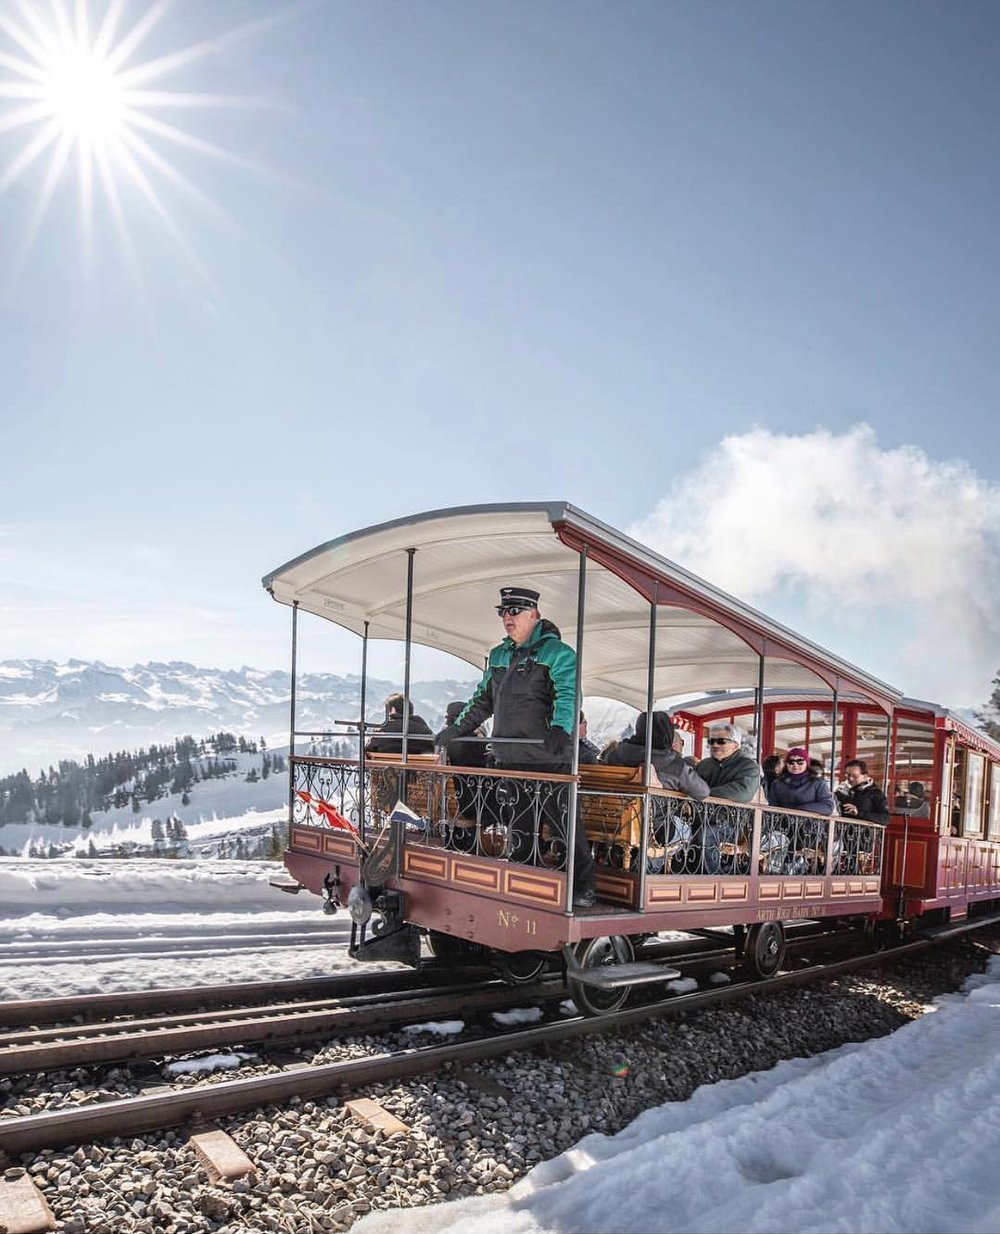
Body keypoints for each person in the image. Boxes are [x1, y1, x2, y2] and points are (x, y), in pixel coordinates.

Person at [435, 585, 596, 908]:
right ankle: (525, 880)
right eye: (503, 612)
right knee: (520, 823)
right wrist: (456, 729)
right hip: (510, 756)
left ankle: (583, 886)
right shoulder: (499, 655)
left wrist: (561, 729)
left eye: (514, 611)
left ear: (533, 615)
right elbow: (482, 700)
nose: (507, 618)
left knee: (564, 824)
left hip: (549, 758)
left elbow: (568, 695)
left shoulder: (559, 654)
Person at [692, 723, 761, 874]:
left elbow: (742, 793)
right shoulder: (704, 765)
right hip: (699, 816)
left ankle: (709, 878)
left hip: (731, 822)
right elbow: (691, 785)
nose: (715, 745)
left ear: (735, 745)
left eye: (721, 741)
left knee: (707, 834)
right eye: (711, 741)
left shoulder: (749, 767)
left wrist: (704, 792)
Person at [602, 711, 710, 799]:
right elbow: (702, 792)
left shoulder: (615, 754)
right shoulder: (674, 764)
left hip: (608, 814)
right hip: (654, 819)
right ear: (667, 733)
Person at [767, 747, 835, 815]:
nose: (795, 765)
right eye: (791, 762)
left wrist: (800, 809)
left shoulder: (818, 783)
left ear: (806, 763)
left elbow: (828, 807)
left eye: (800, 762)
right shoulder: (777, 784)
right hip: (783, 821)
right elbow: (772, 807)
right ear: (786, 764)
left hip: (810, 821)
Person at [365, 692, 435, 754]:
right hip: (419, 765)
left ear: (393, 710)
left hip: (385, 764)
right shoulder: (426, 733)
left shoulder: (380, 732)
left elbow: (368, 750)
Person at [835, 759, 890, 824]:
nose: (850, 779)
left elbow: (885, 818)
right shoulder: (841, 790)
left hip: (863, 830)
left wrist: (859, 813)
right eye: (848, 775)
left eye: (855, 776)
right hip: (841, 829)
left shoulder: (875, 793)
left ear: (865, 776)